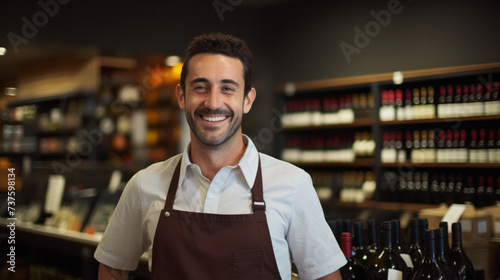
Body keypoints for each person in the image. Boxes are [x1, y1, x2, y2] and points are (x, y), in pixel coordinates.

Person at [94, 33, 346, 280]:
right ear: (182, 97)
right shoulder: (144, 185)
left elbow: (325, 276)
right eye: (201, 87)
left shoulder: (292, 185)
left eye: (227, 88)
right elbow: (112, 269)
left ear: (247, 100)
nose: (213, 102)